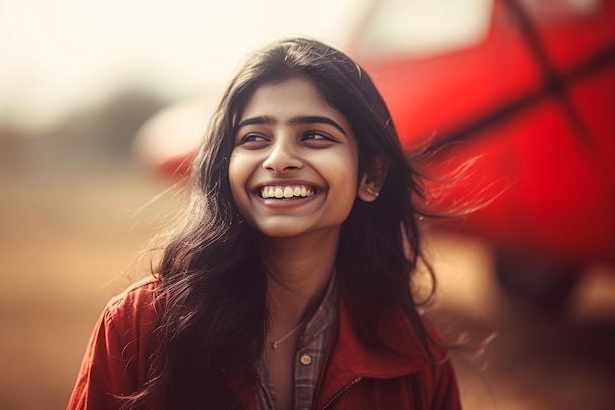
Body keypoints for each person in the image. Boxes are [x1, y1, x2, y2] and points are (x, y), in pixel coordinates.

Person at [67, 37, 462, 410]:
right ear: (227, 166)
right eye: (255, 137)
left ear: (371, 177)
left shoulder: (417, 355)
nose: (278, 159)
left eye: (313, 136)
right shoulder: (137, 325)